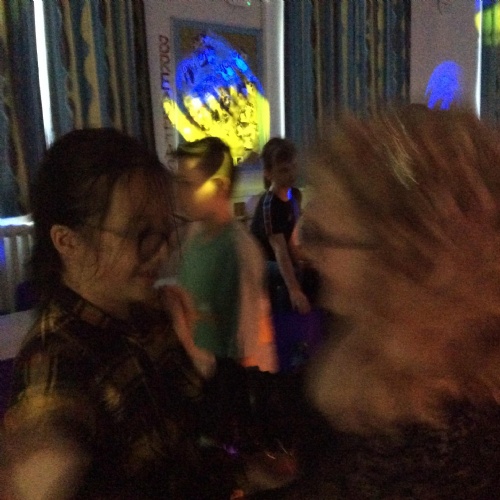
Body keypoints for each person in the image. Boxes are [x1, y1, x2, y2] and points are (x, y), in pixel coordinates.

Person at [0, 128, 314, 499]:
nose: (162, 251)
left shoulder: (149, 314)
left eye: (165, 231)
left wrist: (242, 471)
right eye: (141, 234)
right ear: (68, 241)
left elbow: (187, 437)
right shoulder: (56, 365)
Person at [292, 107, 500, 498]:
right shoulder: (377, 351)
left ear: (405, 259)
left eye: (320, 236)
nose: (305, 251)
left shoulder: (441, 436)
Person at [173, 136, 277, 372]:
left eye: (187, 184)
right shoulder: (193, 235)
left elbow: (247, 348)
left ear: (220, 187)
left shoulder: (238, 251)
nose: (178, 193)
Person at [250, 138, 312, 315]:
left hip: (280, 259)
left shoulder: (294, 196)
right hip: (260, 263)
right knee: (290, 275)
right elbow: (279, 249)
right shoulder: (269, 204)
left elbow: (291, 241)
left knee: (311, 271)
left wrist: (308, 259)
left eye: (293, 167)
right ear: (269, 174)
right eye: (284, 170)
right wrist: (294, 290)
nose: (291, 174)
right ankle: (284, 322)